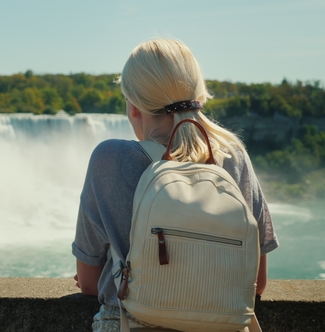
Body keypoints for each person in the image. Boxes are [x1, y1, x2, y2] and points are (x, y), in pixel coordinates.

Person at [72, 38, 279, 331]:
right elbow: (257, 284)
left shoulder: (110, 159)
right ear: (200, 96)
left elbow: (89, 284)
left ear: (133, 107)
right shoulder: (235, 158)